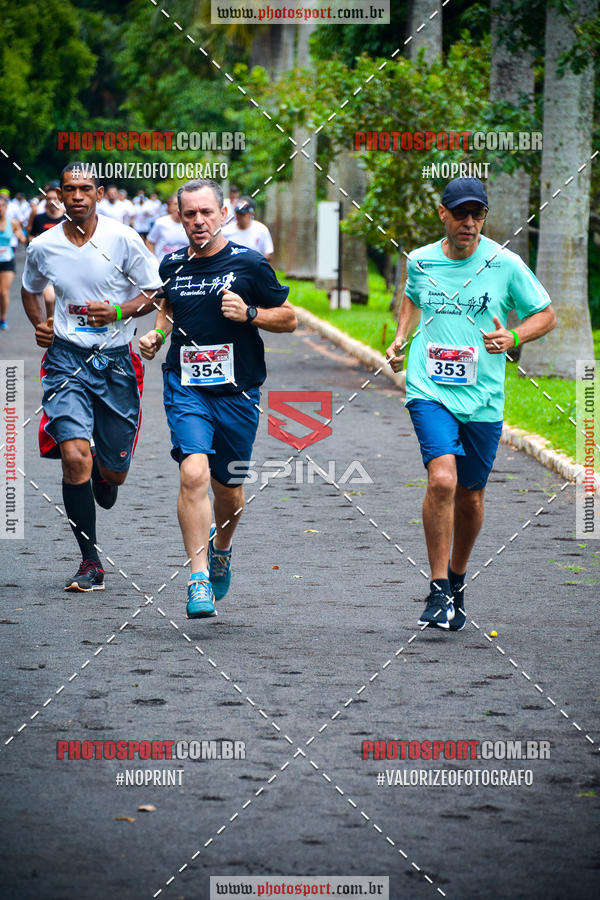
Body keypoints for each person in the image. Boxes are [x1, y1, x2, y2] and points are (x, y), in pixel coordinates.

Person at [386, 177, 556, 631]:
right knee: (442, 477)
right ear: (442, 214)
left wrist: (514, 336)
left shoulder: (505, 263)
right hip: (429, 389)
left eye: (477, 214)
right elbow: (412, 298)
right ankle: (438, 587)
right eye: (460, 213)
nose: (469, 222)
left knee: (471, 494)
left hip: (482, 398)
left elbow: (547, 314)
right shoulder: (420, 261)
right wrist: (403, 337)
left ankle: (457, 579)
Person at [139, 178, 296, 619]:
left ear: (222, 212)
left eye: (206, 212)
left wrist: (250, 313)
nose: (199, 221)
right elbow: (168, 308)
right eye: (190, 214)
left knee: (229, 492)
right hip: (186, 386)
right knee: (193, 471)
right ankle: (197, 578)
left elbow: (289, 318)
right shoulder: (172, 265)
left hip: (238, 392)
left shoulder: (248, 265)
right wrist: (156, 334)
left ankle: (221, 547)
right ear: (179, 216)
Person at [21, 162, 162, 592]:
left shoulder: (121, 238)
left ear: (98, 193)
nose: (77, 196)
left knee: (113, 472)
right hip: (67, 360)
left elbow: (156, 290)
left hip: (117, 361)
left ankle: (107, 474)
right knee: (74, 456)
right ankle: (90, 561)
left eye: (85, 189)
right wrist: (40, 325)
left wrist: (119, 311)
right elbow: (30, 288)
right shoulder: (43, 246)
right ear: (58, 197)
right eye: (69, 190)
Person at [29, 185, 66, 320]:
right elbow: (31, 236)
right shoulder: (39, 218)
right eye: (48, 199)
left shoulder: (68, 218)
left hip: (66, 263)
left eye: (55, 198)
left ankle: (62, 323)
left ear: (60, 199)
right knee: (50, 299)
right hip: (46, 264)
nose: (52, 201)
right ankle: (51, 323)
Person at [0, 195, 26, 329]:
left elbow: (22, 238)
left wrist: (21, 237)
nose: (0, 209)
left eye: (2, 206)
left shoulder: (12, 222)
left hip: (7, 260)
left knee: (3, 292)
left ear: (6, 207)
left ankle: (2, 318)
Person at [146, 194, 187, 261]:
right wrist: (154, 261)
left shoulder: (190, 224)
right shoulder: (160, 223)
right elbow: (149, 242)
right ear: (170, 206)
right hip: (163, 266)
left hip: (183, 267)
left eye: (181, 204)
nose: (178, 207)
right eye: (175, 204)